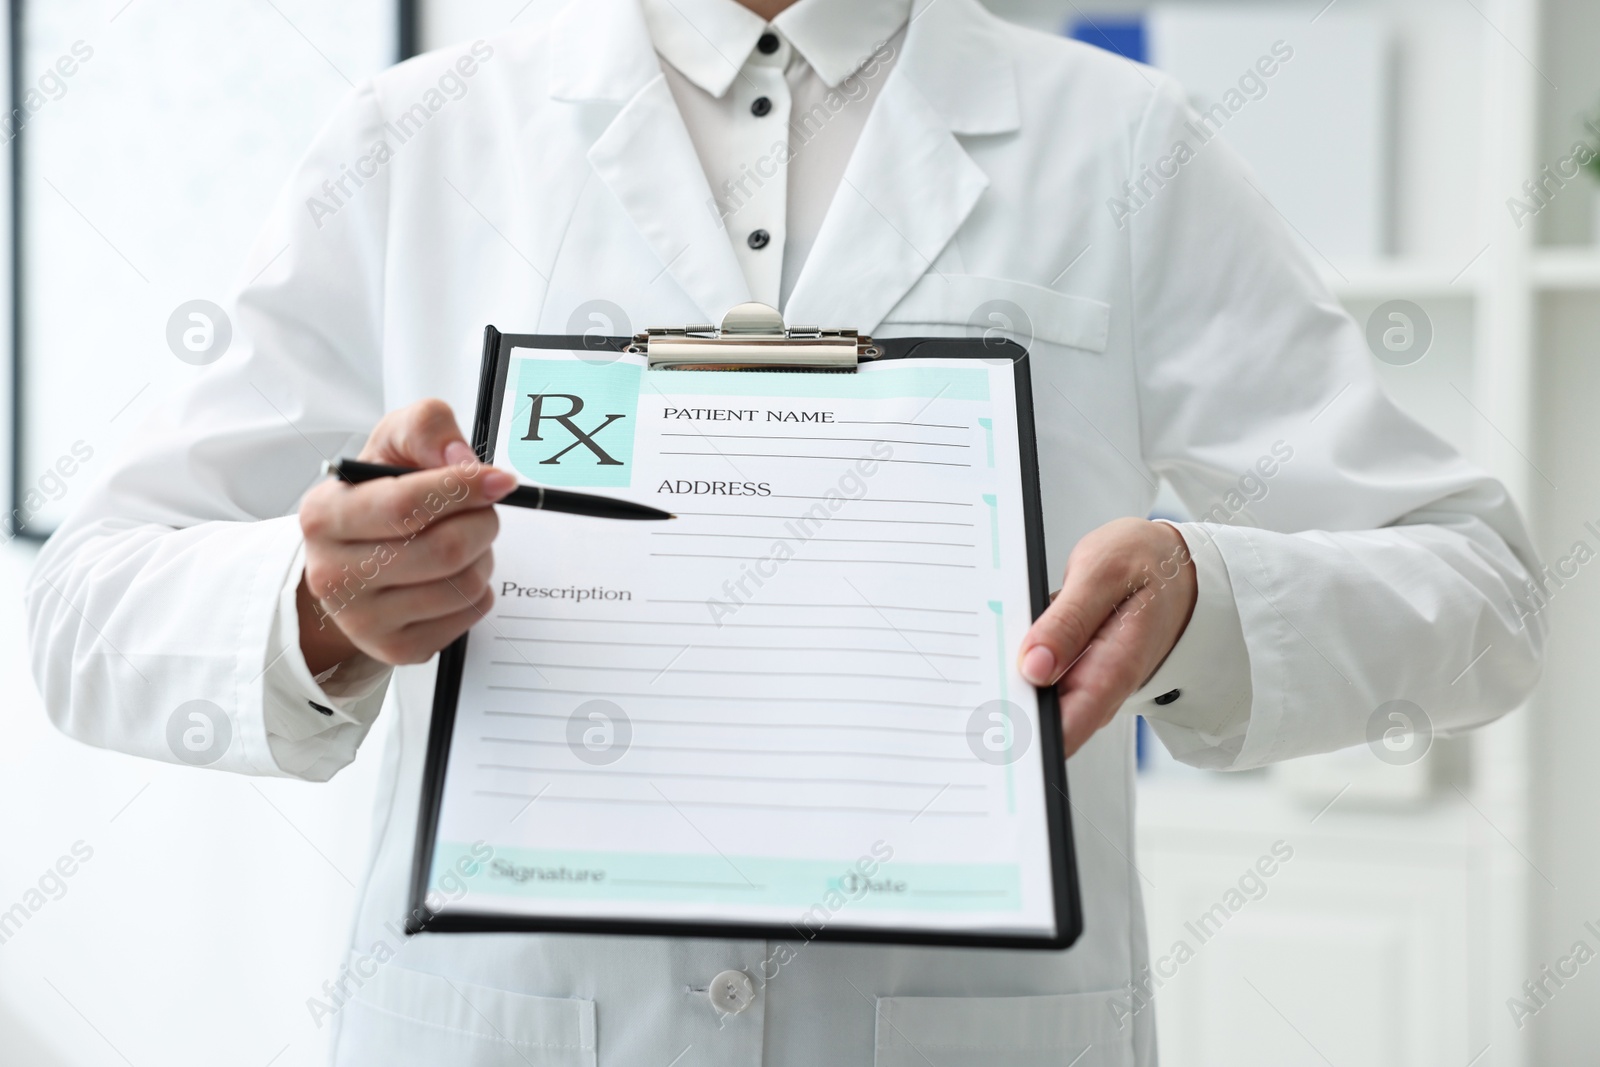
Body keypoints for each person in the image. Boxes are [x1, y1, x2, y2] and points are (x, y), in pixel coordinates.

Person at [27, 0, 1543, 1063]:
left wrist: (1204, 600)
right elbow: (87, 610)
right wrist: (317, 603)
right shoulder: (418, 141)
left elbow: (1476, 587)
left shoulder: (1123, 143)